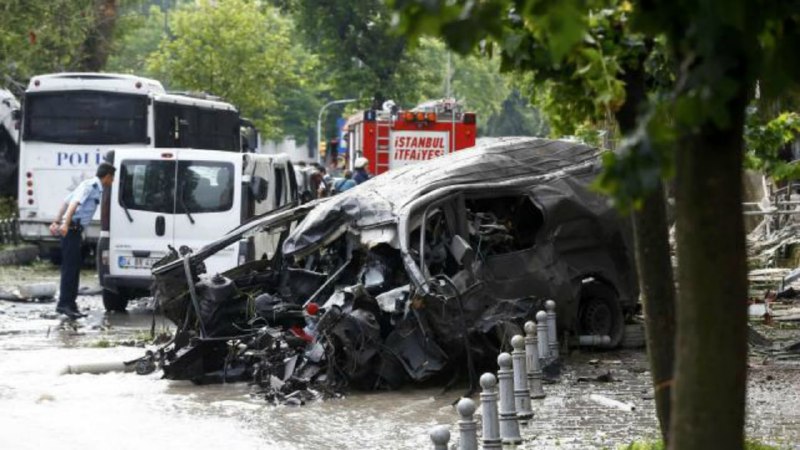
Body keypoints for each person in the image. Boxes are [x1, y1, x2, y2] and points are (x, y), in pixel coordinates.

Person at [49, 162, 116, 319]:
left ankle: (71, 304)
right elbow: (73, 204)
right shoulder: (90, 187)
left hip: (74, 231)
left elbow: (65, 201)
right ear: (107, 177)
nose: (112, 182)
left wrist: (56, 221)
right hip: (71, 230)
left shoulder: (89, 185)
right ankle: (64, 305)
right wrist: (64, 224)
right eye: (112, 178)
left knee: (74, 268)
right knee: (70, 269)